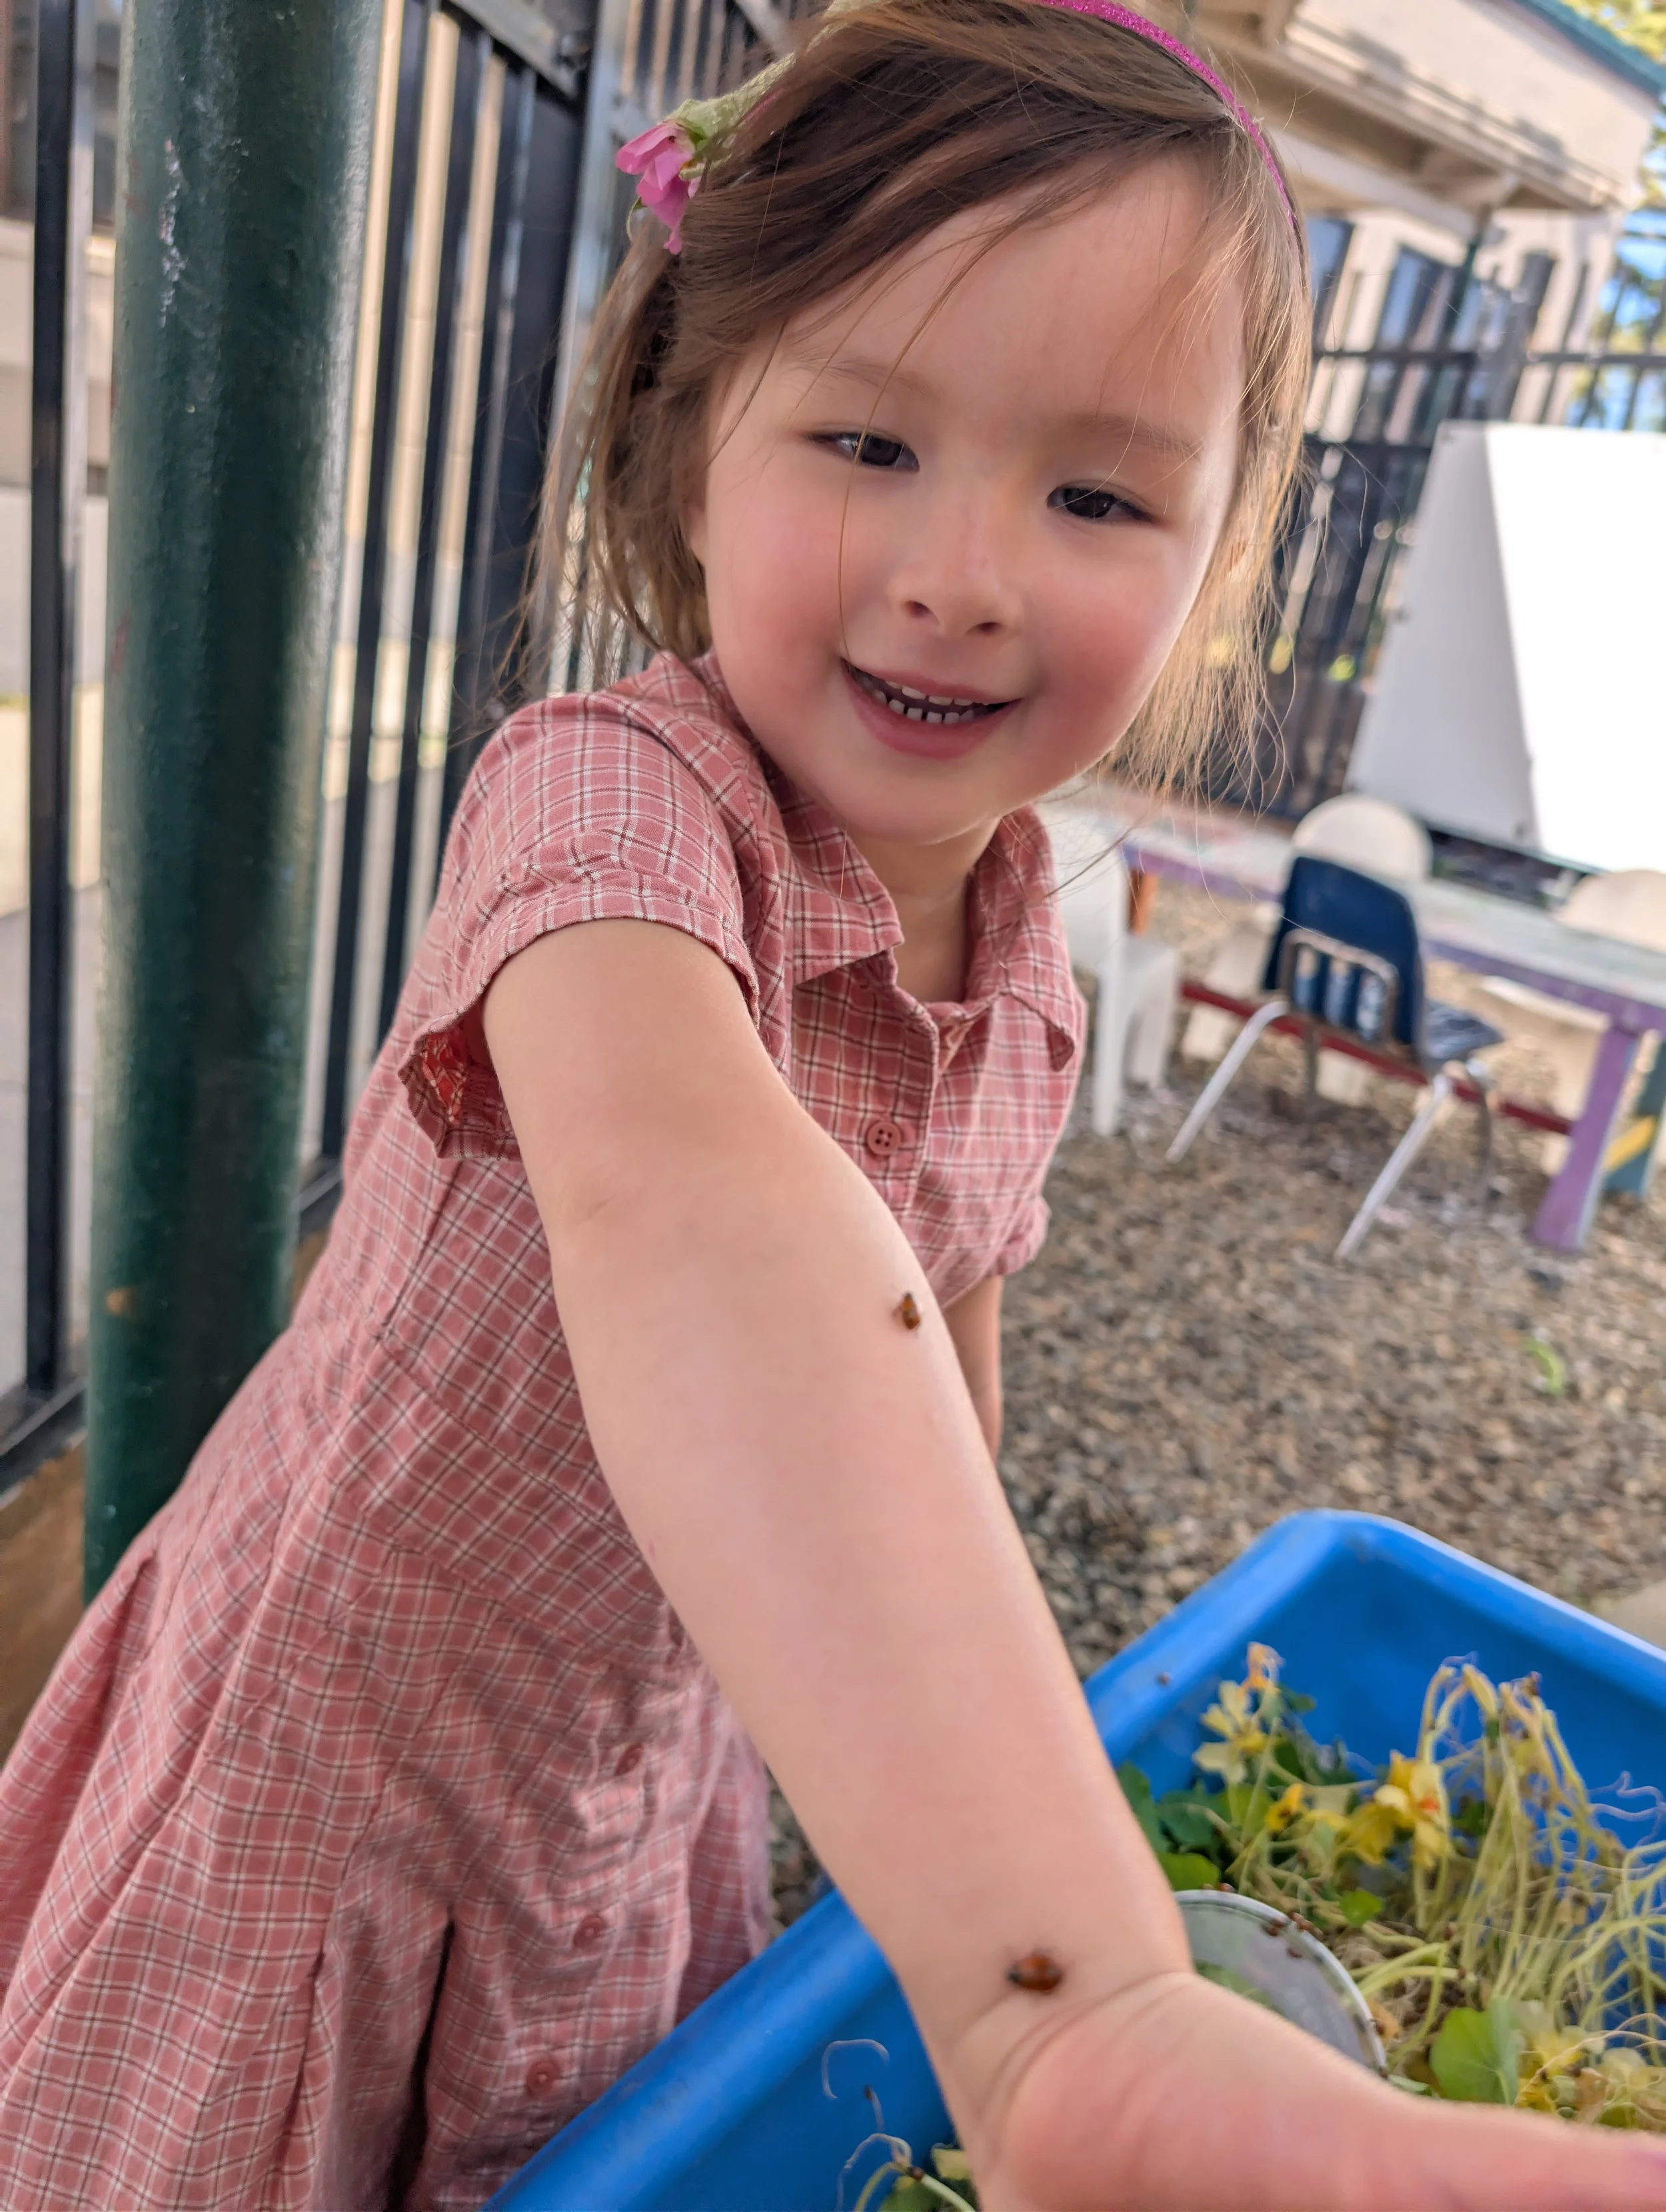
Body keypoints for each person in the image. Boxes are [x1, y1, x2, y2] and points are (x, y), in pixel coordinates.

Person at [1, 3, 1661, 2207]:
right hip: (339, 1763)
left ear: (1212, 555)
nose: (960, 570)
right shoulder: (606, 803)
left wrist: (988, 1761)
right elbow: (700, 1217)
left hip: (646, 1771)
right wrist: (1059, 2003)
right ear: (694, 449)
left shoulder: (1027, 957)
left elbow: (939, 1363)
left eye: (1091, 492)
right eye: (866, 443)